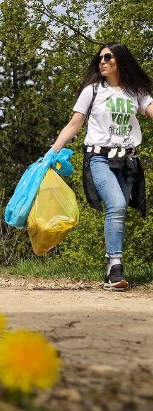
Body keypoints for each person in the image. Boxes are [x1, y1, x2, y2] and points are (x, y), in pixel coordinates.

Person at [50, 42, 153, 291]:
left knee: (118, 212)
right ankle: (115, 265)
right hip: (99, 158)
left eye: (108, 57)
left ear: (121, 60)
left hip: (128, 161)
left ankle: (111, 266)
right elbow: (75, 124)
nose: (102, 61)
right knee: (116, 204)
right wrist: (51, 153)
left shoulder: (136, 91)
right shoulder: (93, 90)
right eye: (100, 58)